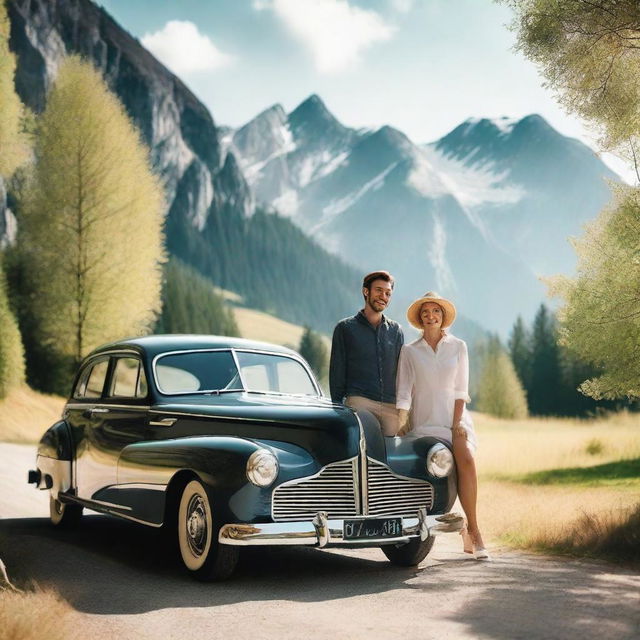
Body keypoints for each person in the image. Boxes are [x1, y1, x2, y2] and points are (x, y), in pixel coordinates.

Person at [395, 291, 489, 560]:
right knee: (439, 474)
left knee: (466, 460)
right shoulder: (409, 351)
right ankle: (447, 526)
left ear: (443, 317)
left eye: (435, 311)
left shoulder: (458, 346)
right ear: (420, 319)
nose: (430, 316)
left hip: (453, 421)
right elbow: (403, 392)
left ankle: (474, 530)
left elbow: (462, 390)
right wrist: (402, 422)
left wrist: (457, 422)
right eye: (425, 312)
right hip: (424, 424)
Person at [329, 270, 404, 436]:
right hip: (359, 402)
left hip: (391, 406)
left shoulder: (396, 331)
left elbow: (402, 371)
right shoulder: (345, 328)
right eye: (378, 290)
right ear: (366, 291)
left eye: (388, 293)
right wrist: (337, 409)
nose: (383, 296)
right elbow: (337, 372)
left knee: (391, 456)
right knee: (363, 446)